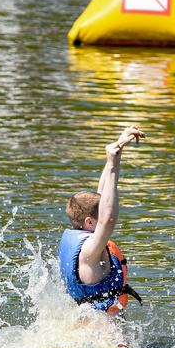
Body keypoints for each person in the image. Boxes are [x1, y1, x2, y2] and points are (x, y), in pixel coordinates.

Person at [59, 125, 146, 316]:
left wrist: (117, 149)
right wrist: (114, 168)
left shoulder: (82, 236)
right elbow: (108, 218)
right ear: (89, 222)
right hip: (106, 337)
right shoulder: (89, 251)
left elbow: (101, 199)